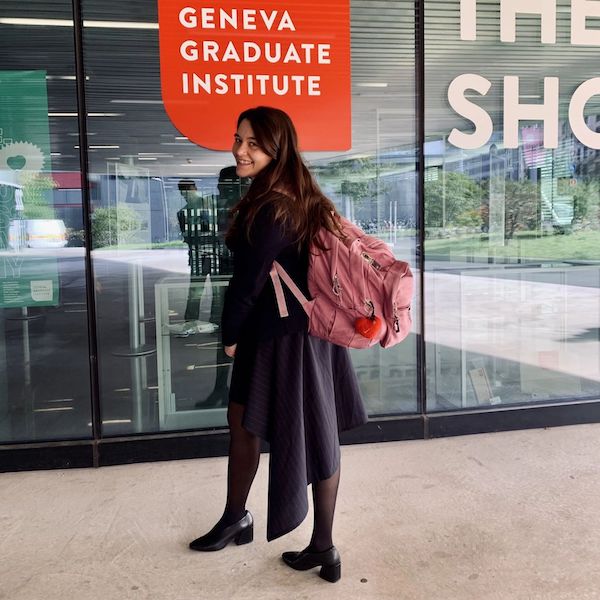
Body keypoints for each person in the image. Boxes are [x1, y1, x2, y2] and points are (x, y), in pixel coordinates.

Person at [188, 106, 367, 583]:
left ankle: (271, 530)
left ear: (277, 147)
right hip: (309, 335)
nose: (240, 150)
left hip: (282, 338)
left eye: (252, 143)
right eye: (238, 139)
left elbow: (246, 282)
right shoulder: (301, 193)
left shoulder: (274, 205)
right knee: (291, 428)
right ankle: (278, 531)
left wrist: (229, 336)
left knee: (251, 423)